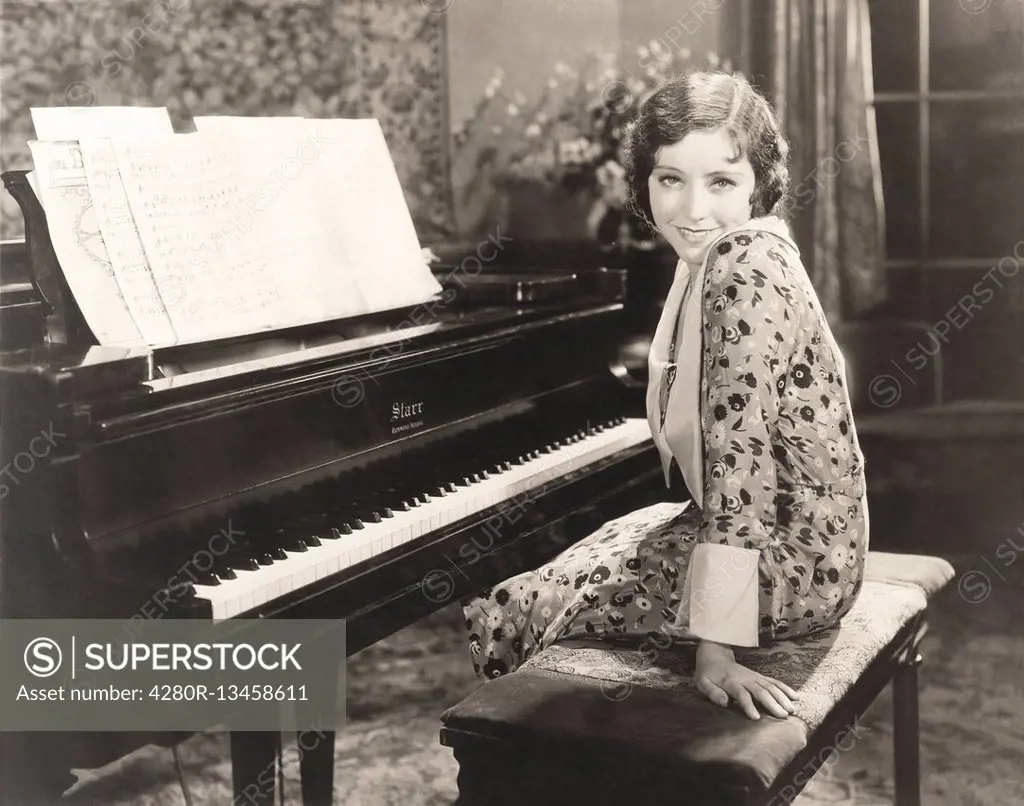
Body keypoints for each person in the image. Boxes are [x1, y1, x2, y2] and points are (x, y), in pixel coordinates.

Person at [462, 70, 869, 721]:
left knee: (513, 605)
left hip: (794, 562)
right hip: (820, 539)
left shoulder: (741, 271)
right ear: (643, 184)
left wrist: (718, 648)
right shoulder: (731, 257)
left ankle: (520, 775)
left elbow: (739, 472)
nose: (692, 210)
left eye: (721, 182)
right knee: (585, 559)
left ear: (760, 184)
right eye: (670, 179)